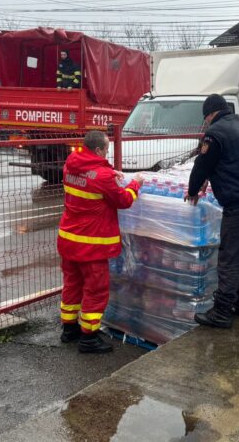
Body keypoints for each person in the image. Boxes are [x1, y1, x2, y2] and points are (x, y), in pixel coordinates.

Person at [185, 94, 239, 328]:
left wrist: (193, 189)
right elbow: (233, 162)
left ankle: (222, 311)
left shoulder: (215, 133)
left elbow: (202, 165)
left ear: (210, 114)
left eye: (206, 118)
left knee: (230, 257)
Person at [57, 130, 143, 353]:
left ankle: (69, 329)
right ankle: (89, 337)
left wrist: (107, 171)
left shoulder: (69, 166)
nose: (107, 153)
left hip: (68, 239)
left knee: (72, 286)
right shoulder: (102, 176)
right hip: (91, 245)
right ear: (97, 150)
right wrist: (136, 184)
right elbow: (123, 200)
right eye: (106, 149)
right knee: (96, 291)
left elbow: (89, 176)